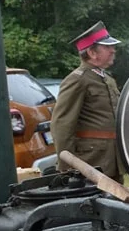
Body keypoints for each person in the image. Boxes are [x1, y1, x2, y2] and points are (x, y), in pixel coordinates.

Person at [51, 21, 124, 182]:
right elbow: (62, 124)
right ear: (92, 52)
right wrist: (68, 167)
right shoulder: (78, 80)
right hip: (90, 162)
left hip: (111, 161)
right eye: (107, 47)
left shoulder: (108, 79)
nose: (113, 50)